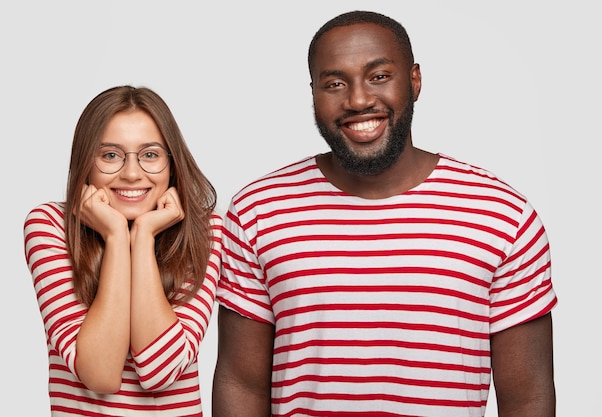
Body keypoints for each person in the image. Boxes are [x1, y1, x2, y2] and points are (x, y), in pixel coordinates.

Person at [212, 10, 557, 417]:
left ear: (414, 81)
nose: (358, 100)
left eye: (379, 76)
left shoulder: (502, 215)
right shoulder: (258, 211)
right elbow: (239, 382)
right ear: (313, 93)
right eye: (335, 83)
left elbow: (529, 397)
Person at [23, 85, 221, 416]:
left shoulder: (204, 232)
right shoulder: (51, 225)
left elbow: (161, 371)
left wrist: (142, 235)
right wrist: (116, 236)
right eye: (111, 155)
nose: (131, 174)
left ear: (172, 163)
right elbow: (100, 374)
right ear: (86, 163)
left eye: (150, 154)